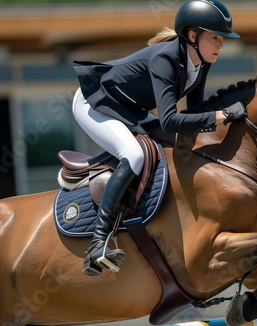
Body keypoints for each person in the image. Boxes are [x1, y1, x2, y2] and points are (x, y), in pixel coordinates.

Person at [72, 0, 247, 276]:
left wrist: (224, 125)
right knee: (135, 155)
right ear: (192, 36)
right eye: (215, 37)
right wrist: (221, 115)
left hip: (130, 109)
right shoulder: (164, 59)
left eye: (221, 39)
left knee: (171, 144)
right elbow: (169, 120)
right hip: (95, 103)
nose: (221, 45)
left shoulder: (201, 62)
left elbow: (194, 113)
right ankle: (97, 243)